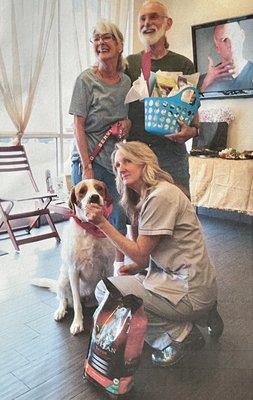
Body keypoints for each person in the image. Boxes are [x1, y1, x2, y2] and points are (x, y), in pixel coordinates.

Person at [85, 141, 224, 367]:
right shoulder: (155, 193)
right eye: (117, 164)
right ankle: (205, 313)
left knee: (104, 290)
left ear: (145, 162)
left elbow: (140, 253)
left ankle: (180, 335)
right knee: (127, 282)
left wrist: (102, 223)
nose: (120, 168)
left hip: (188, 290)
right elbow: (167, 249)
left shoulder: (160, 196)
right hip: (191, 281)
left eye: (127, 160)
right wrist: (142, 268)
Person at [69, 20, 131, 263]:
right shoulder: (85, 80)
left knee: (117, 222)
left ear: (119, 45)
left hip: (115, 165)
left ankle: (115, 279)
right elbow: (78, 125)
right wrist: (86, 167)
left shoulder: (126, 82)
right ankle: (84, 282)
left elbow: (125, 120)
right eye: (96, 38)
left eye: (107, 37)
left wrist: (126, 125)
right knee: (89, 226)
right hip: (89, 161)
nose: (100, 42)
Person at [125, 1, 199, 196]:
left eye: (154, 16)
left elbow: (194, 120)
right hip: (137, 156)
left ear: (168, 23)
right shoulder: (129, 64)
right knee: (138, 215)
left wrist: (189, 132)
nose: (147, 23)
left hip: (172, 156)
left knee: (179, 213)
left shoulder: (184, 64)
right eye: (143, 18)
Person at [199, 22, 253, 92]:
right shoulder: (204, 81)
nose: (230, 44)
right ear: (217, 48)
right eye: (224, 40)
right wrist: (205, 85)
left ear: (242, 36)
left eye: (234, 35)